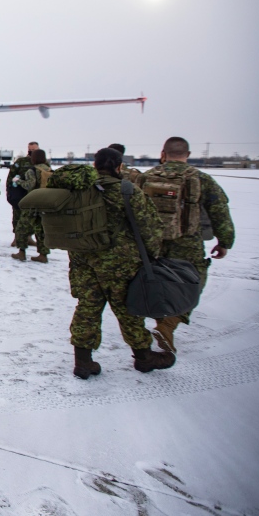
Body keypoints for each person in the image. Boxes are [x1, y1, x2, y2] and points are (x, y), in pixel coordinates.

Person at [69, 148, 176, 378]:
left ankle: (83, 361)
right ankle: (144, 357)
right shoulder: (127, 189)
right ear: (119, 167)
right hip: (120, 263)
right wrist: (150, 256)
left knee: (87, 308)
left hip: (83, 260)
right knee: (129, 310)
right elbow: (150, 227)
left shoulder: (79, 189)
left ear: (95, 165)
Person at [137, 137, 234, 353]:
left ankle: (157, 319)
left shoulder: (146, 177)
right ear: (187, 155)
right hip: (187, 241)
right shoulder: (200, 179)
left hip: (152, 241)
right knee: (193, 282)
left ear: (163, 153)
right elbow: (219, 210)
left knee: (156, 279)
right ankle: (169, 324)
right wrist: (224, 241)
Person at [11, 149, 51, 263]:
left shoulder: (32, 170)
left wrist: (18, 181)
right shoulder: (49, 169)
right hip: (45, 203)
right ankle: (43, 254)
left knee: (21, 228)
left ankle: (22, 252)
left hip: (33, 203)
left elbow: (29, 185)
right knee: (41, 229)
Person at [7, 142, 39, 245]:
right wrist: (10, 192)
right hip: (20, 194)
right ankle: (17, 238)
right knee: (17, 216)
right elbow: (11, 177)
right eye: (31, 149)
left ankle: (29, 237)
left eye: (35, 149)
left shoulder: (41, 163)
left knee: (33, 217)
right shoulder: (21, 162)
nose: (32, 151)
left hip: (34, 195)